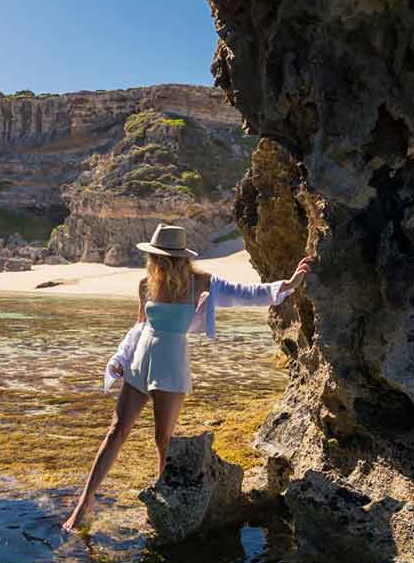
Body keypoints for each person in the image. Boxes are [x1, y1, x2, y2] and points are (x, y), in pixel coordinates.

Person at [61, 223, 313, 533]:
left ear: (178, 258)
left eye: (163, 257)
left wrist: (286, 285)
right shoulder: (145, 284)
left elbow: (243, 294)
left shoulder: (201, 283)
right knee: (116, 430)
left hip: (170, 366)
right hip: (140, 362)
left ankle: (162, 502)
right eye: (156, 257)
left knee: (162, 441)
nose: (158, 262)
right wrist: (119, 358)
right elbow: (139, 326)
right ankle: (85, 502)